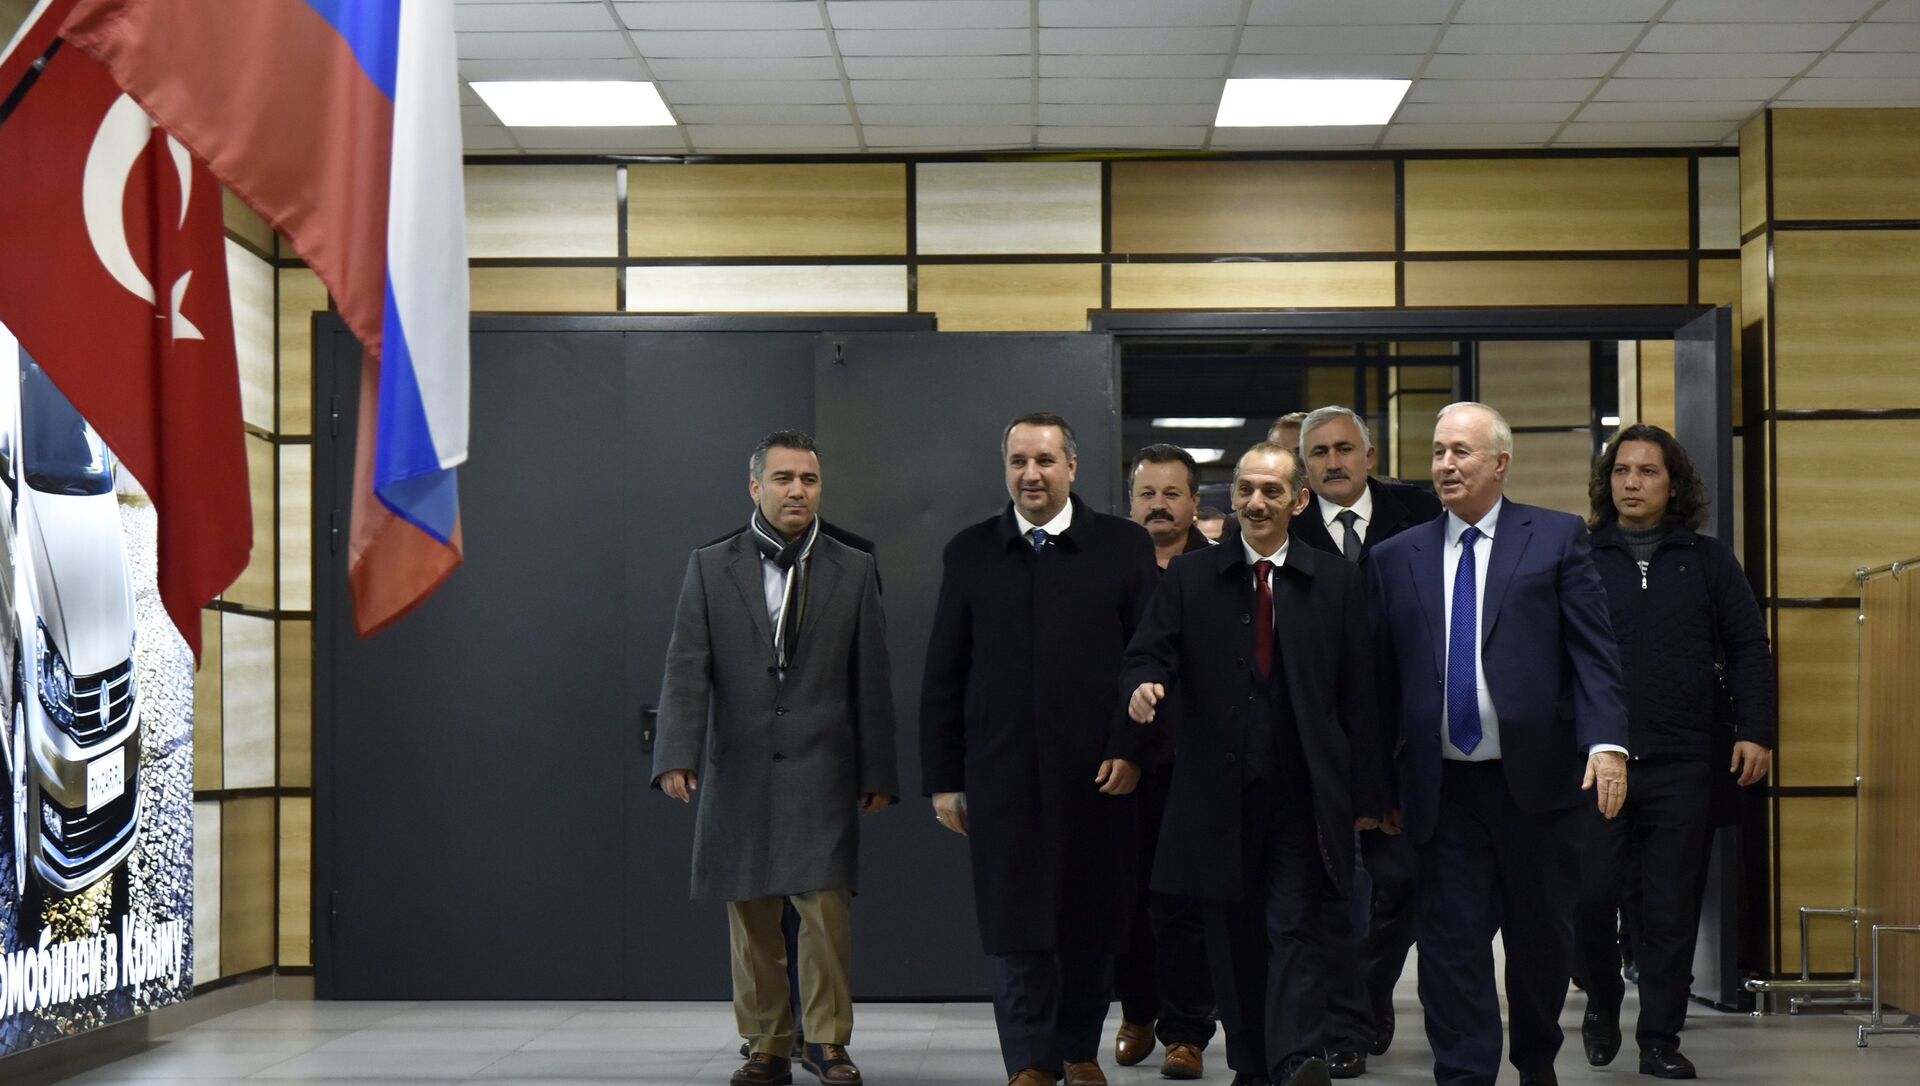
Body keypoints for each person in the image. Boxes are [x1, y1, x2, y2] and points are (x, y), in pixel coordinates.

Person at [1367, 402, 1629, 1086]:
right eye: (1438, 452)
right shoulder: (1396, 557)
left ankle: (1536, 1060)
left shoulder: (1556, 538)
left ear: (1501, 463)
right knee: (1449, 948)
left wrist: (1606, 743)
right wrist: (1378, 785)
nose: (1445, 465)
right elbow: (1379, 684)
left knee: (1540, 943)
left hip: (1537, 787)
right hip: (1441, 790)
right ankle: (1464, 1074)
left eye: (1461, 451)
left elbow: (1594, 653)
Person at [1122, 441, 1384, 1086]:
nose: (1256, 502)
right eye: (1245, 490)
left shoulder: (1336, 582)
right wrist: (1145, 683)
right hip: (1216, 796)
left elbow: (1362, 697)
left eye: (1272, 491)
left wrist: (1371, 795)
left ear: (1299, 501)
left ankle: (1296, 1055)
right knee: (1232, 936)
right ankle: (1253, 1063)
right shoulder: (1191, 577)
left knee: (1294, 925)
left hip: (1301, 794)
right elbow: (1148, 650)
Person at [653, 431, 900, 1086]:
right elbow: (686, 666)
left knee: (824, 912)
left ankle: (827, 1042)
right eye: (784, 479)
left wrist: (878, 770)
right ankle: (766, 1042)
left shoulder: (854, 567)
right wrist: (676, 753)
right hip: (740, 767)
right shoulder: (711, 566)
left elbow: (872, 677)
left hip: (824, 767)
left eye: (809, 480)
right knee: (751, 910)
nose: (797, 491)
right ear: (755, 487)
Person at [921, 412, 1158, 1086]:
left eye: (1045, 461)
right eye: (1019, 461)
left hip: (1100, 774)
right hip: (1002, 777)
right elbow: (945, 672)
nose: (1032, 474)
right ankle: (1029, 1061)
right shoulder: (970, 551)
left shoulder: (1123, 547)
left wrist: (1133, 749)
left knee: (1092, 921)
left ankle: (1078, 1051)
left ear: (1072, 468)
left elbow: (1148, 656)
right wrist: (944, 779)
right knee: (1015, 923)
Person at [1575, 425, 1775, 1081]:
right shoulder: (1581, 554)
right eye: (1621, 471)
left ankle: (1659, 1037)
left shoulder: (1708, 559)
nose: (1631, 483)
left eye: (1647, 471)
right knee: (1589, 894)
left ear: (1674, 484)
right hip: (1598, 761)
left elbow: (1748, 647)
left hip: (1684, 757)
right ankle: (1602, 997)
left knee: (1669, 905)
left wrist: (1755, 729)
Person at [1291, 405, 1442, 1076]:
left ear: (1370, 455)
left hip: (1411, 734)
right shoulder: (1288, 528)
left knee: (1400, 883)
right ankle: (1342, 1025)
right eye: (1319, 452)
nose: (1334, 462)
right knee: (1331, 894)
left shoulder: (1421, 515)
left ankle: (1369, 995)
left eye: (1344, 448)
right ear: (1305, 467)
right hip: (1320, 742)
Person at [1115, 444, 1218, 1078]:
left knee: (1186, 901)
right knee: (1126, 900)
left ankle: (1187, 1031)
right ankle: (1138, 1011)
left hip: (1199, 763)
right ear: (1131, 502)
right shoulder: (1109, 567)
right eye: (1147, 494)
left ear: (1194, 502)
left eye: (1171, 494)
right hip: (1124, 764)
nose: (1159, 505)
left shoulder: (1220, 567)